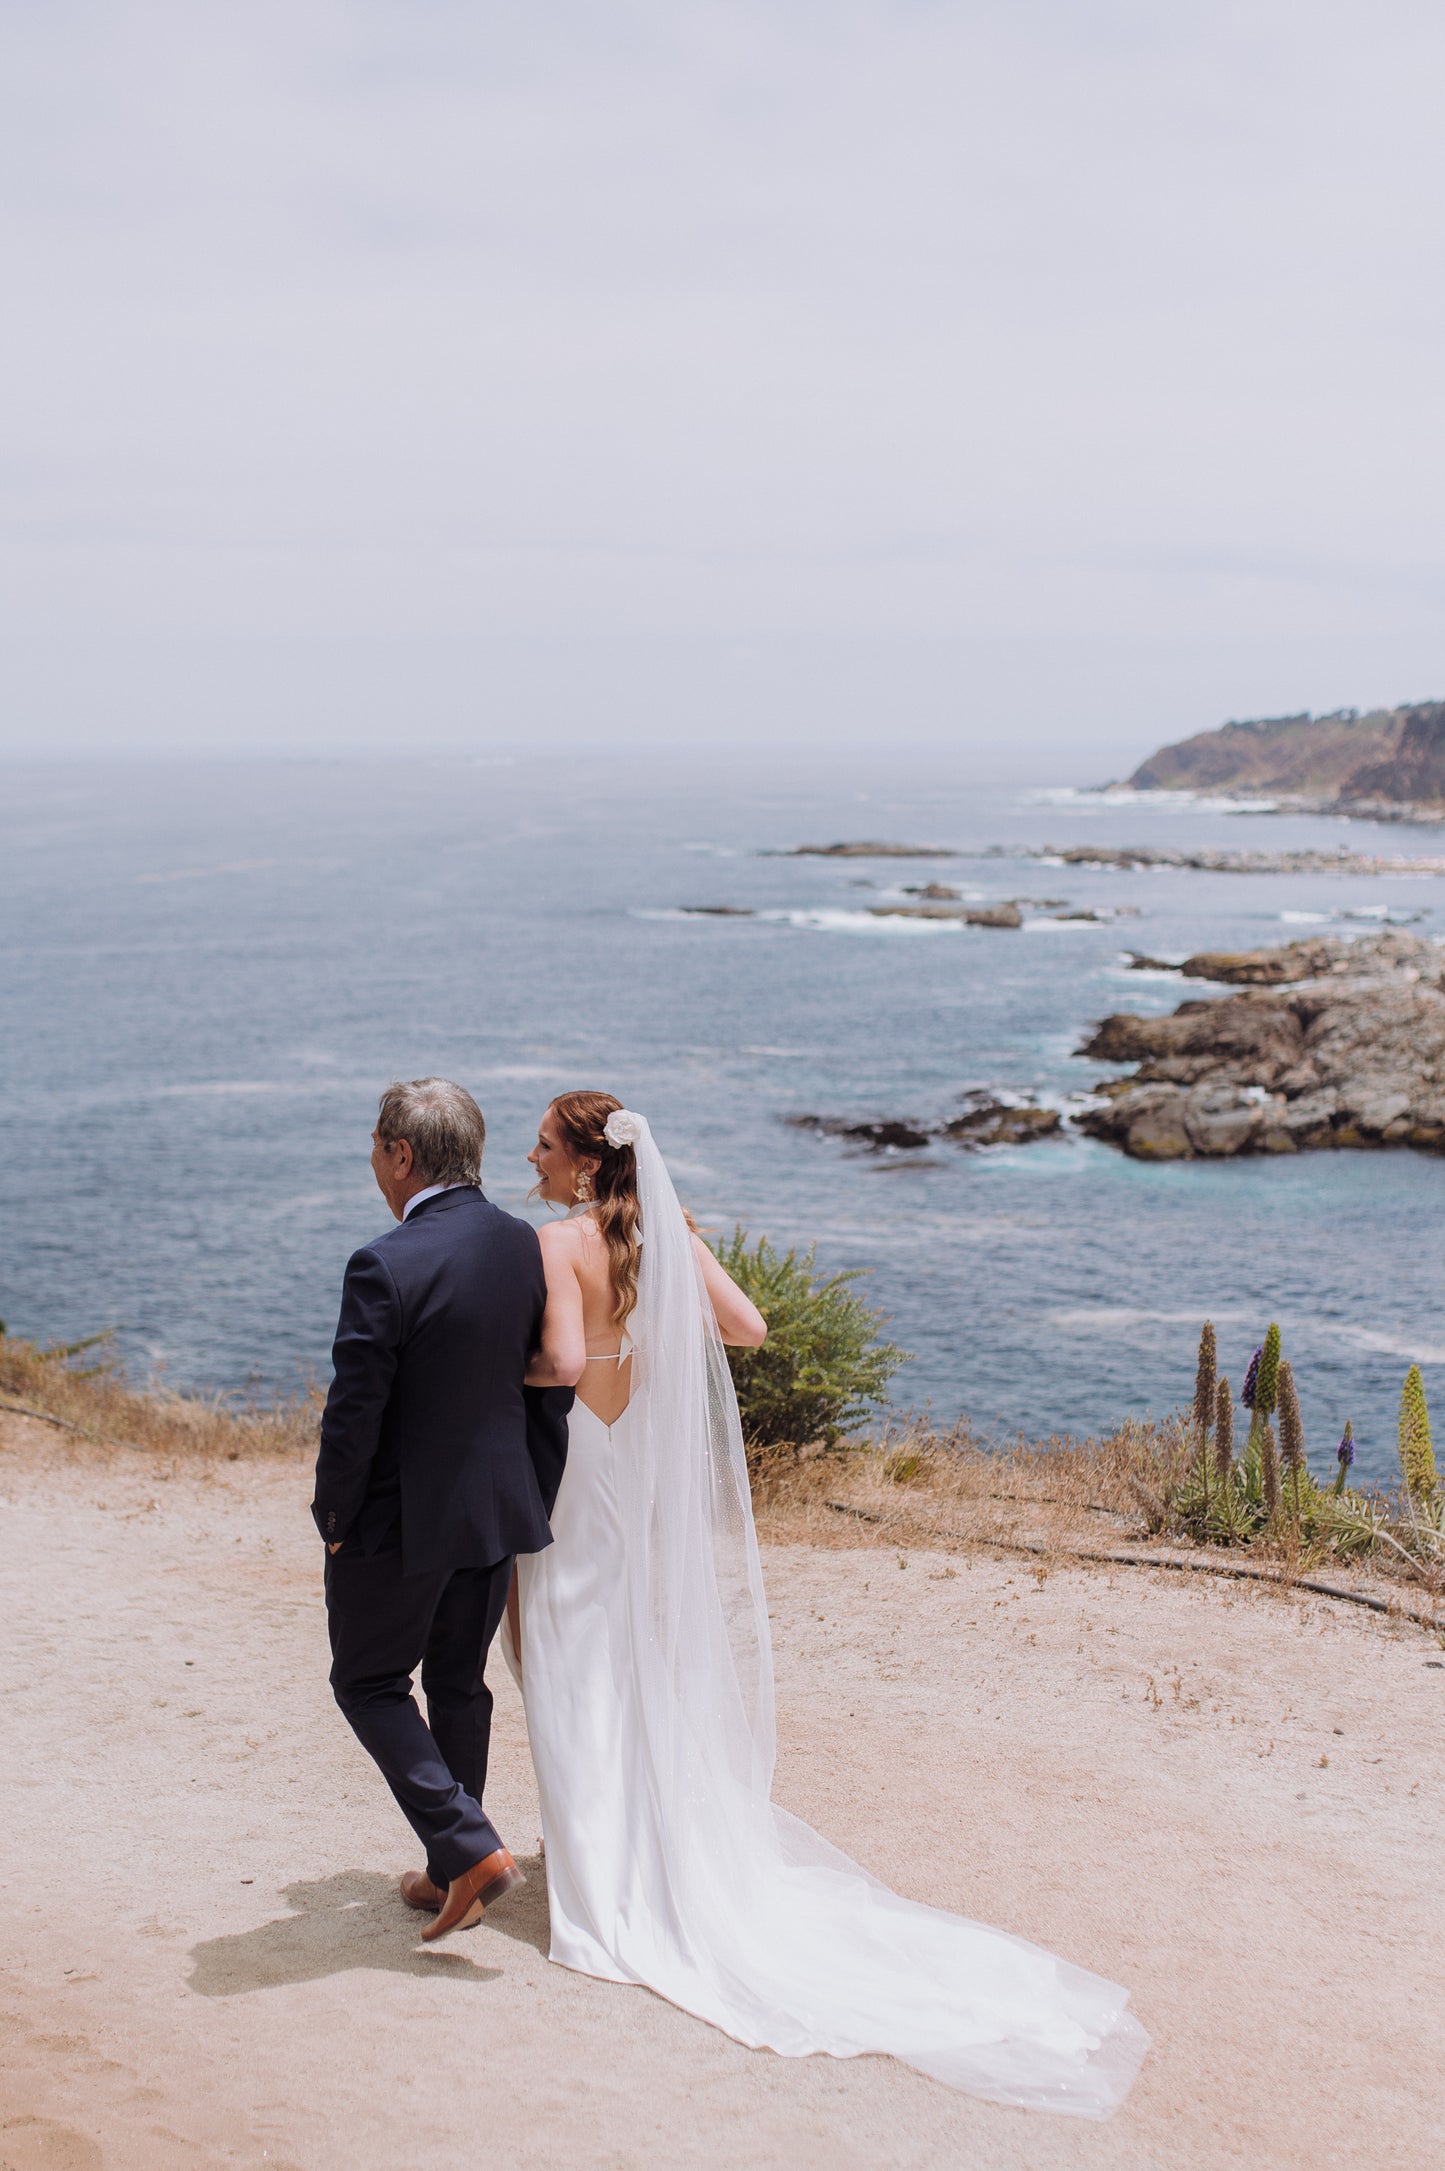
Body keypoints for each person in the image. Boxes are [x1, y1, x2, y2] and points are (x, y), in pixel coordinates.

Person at [506, 1089, 1148, 2117]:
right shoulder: (661, 1230)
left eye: (540, 1141)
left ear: (585, 1163)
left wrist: (498, 1368)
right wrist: (657, 1321)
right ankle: (647, 1842)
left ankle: (603, 1869)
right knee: (632, 1652)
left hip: (578, 1462)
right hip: (637, 1469)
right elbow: (748, 1326)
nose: (525, 1153)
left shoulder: (554, 1242)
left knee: (569, 1651)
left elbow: (563, 1360)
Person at [312, 1078, 575, 1943]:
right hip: (497, 1506)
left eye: (374, 1149)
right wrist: (531, 1492)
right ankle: (446, 1867)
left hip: (397, 1521)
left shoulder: (383, 1262)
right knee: (459, 1681)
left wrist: (334, 1517)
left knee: (368, 1681)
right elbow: (545, 1388)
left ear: (399, 1154)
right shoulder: (523, 1244)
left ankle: (468, 1845)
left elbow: (354, 1416)